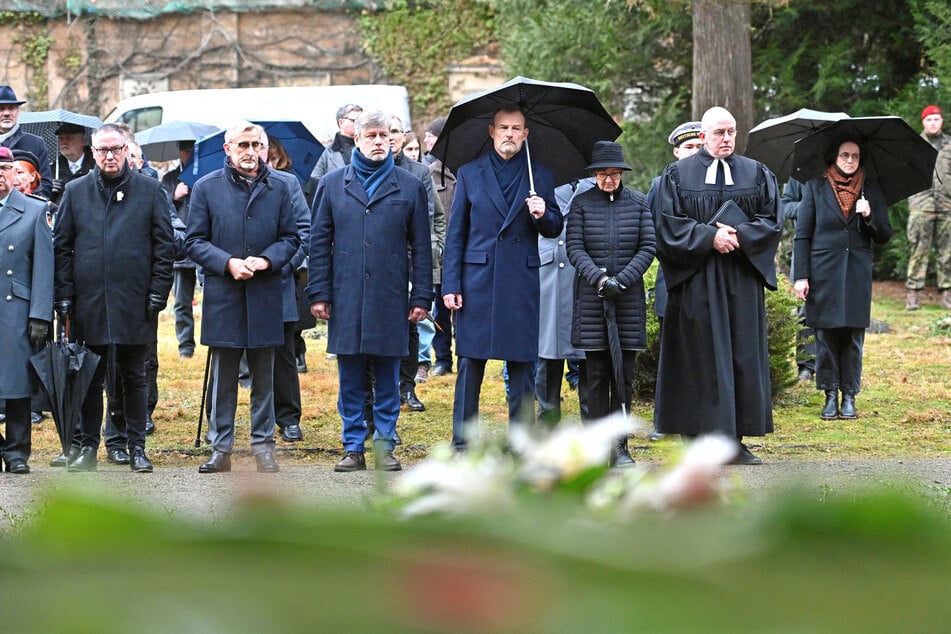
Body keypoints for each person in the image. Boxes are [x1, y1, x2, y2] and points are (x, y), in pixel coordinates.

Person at [652, 106, 782, 465]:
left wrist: (738, 235)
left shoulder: (756, 173)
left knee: (740, 355)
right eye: (719, 132)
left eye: (732, 132)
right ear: (703, 136)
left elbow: (772, 220)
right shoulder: (677, 175)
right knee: (697, 357)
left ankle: (733, 441)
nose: (726, 139)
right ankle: (694, 440)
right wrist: (709, 237)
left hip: (740, 279)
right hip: (696, 280)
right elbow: (666, 226)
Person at [307, 110, 433, 472]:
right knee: (350, 376)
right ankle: (352, 446)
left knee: (388, 376)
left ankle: (384, 445)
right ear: (357, 140)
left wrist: (422, 296)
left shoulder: (409, 186)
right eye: (372, 135)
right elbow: (319, 242)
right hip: (345, 294)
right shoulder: (332, 184)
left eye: (385, 135)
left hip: (390, 296)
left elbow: (421, 247)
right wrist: (318, 292)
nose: (380, 141)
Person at [53, 123, 174, 473]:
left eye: (116, 149)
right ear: (93, 152)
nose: (109, 156)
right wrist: (64, 296)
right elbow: (61, 247)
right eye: (102, 150)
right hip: (88, 301)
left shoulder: (150, 191)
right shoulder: (76, 192)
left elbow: (164, 248)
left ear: (126, 150)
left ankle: (136, 446)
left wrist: (157, 292)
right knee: (90, 377)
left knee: (134, 376)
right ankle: (88, 447)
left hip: (135, 300)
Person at [442, 105, 563, 451]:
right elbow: (456, 234)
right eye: (503, 128)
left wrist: (543, 213)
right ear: (491, 132)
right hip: (476, 280)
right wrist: (451, 285)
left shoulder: (539, 174)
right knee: (470, 363)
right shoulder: (469, 173)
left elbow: (555, 227)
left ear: (526, 134)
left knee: (522, 364)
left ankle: (521, 443)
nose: (510, 134)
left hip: (520, 281)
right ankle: (463, 443)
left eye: (517, 128)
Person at [186, 122, 300, 474]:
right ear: (228, 149)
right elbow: (193, 241)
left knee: (264, 375)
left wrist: (267, 259)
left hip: (266, 292)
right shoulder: (206, 188)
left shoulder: (280, 187)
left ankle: (263, 445)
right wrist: (227, 262)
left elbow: (292, 238)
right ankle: (221, 448)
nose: (251, 152)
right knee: (224, 377)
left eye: (257, 145)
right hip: (224, 293)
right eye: (244, 145)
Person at [566, 141, 656, 466]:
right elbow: (574, 248)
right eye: (603, 174)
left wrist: (624, 279)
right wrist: (601, 280)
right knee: (594, 376)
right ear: (594, 174)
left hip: (627, 300)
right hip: (593, 299)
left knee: (623, 377)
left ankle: (620, 447)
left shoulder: (640, 203)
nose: (609, 180)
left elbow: (648, 246)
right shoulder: (581, 204)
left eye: (614, 174)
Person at [793, 139, 893, 420]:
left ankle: (849, 395)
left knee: (852, 337)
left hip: (856, 272)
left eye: (855, 156)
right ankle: (829, 394)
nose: (850, 160)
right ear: (834, 157)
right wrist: (801, 275)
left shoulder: (870, 189)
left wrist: (869, 214)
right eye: (845, 155)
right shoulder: (815, 187)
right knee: (825, 336)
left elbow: (885, 234)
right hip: (823, 271)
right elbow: (802, 235)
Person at [0, 147, 53, 474]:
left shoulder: (33, 211)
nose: (0, 175)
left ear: (16, 173)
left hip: (15, 310)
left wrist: (40, 315)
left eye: (5, 168)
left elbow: (44, 268)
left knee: (17, 385)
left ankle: (17, 452)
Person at [388, 113, 444, 411]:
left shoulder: (419, 172)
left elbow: (435, 216)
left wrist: (436, 250)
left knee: (412, 325)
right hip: (382, 262)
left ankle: (407, 386)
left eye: (397, 131)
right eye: (388, 131)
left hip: (413, 258)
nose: (392, 136)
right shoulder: (365, 169)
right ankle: (381, 386)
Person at [262, 134, 309, 443]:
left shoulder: (287, 184)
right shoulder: (216, 185)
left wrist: (286, 266)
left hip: (279, 279)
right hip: (237, 281)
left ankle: (288, 418)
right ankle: (220, 421)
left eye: (259, 147)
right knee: (230, 357)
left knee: (283, 354)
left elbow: (305, 231)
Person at [536, 176, 594, 428]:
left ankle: (593, 420)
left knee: (589, 352)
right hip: (548, 274)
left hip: (586, 273)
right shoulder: (538, 181)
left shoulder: (595, 184)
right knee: (547, 351)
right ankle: (547, 419)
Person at [905, 105, 951, 311]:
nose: (933, 122)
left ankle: (947, 294)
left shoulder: (950, 145)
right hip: (920, 206)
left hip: (947, 206)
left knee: (948, 253)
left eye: (936, 119)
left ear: (942, 121)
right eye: (929, 119)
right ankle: (913, 295)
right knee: (918, 251)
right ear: (923, 122)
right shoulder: (914, 145)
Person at [424, 116, 457, 377]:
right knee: (439, 308)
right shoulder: (429, 173)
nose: (426, 140)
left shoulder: (465, 170)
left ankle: (465, 353)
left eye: (431, 135)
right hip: (440, 252)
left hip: (464, 251)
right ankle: (443, 359)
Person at [162, 140, 198, 358]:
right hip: (181, 248)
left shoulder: (206, 176)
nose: (188, 154)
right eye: (185, 150)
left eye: (192, 150)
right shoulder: (169, 179)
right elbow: (163, 209)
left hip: (204, 244)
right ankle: (185, 345)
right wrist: (174, 196)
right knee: (182, 301)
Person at [781, 177, 818, 383]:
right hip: (805, 245)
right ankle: (806, 366)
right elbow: (785, 206)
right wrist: (809, 205)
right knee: (804, 310)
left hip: (835, 249)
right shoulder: (799, 173)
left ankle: (831, 365)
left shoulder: (842, 166)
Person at [0, 85, 53, 199]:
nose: (7, 113)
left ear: (17, 111)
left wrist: (29, 206)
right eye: (1, 108)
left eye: (11, 108)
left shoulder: (35, 143)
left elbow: (46, 184)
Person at [304, 103, 363, 203]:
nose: (360, 125)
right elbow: (316, 183)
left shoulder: (367, 148)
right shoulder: (325, 152)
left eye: (362, 121)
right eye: (355, 121)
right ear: (341, 122)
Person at [50, 122, 95, 202]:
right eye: (61, 138)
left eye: (69, 138)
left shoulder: (96, 166)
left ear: (83, 141)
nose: (64, 142)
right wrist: (50, 191)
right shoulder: (53, 170)